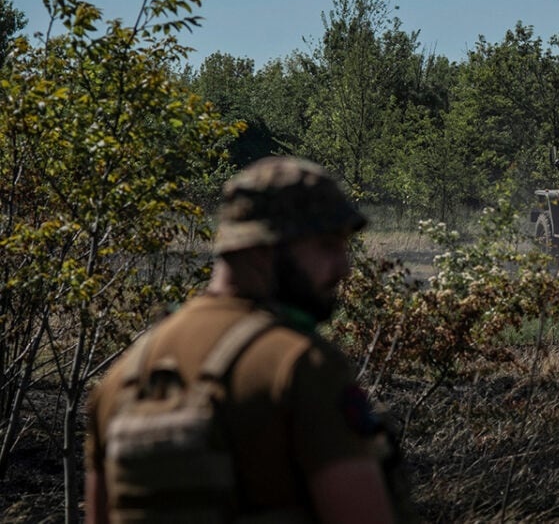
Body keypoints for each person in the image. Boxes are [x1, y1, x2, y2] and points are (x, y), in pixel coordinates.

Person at [85, 156, 400, 523]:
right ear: (263, 248)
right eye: (327, 246)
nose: (344, 267)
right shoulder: (300, 366)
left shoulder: (120, 379)